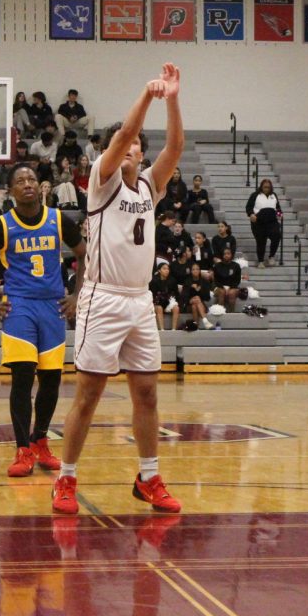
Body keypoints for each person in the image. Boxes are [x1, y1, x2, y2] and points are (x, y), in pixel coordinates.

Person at [54, 62, 184, 516]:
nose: (130, 148)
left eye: (136, 147)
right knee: (88, 394)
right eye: (124, 144)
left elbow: (175, 146)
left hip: (139, 301)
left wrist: (173, 97)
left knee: (147, 393)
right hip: (102, 297)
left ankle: (148, 477)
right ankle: (66, 479)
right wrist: (147, 96)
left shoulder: (150, 185)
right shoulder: (101, 181)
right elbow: (123, 133)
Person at [0, 163, 86, 478]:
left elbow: (85, 254)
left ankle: (40, 440)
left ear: (41, 186)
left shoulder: (59, 220)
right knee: (23, 376)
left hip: (52, 307)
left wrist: (76, 295)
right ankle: (22, 449)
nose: (28, 183)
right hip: (19, 308)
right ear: (12, 190)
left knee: (51, 380)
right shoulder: (2, 227)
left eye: (32, 178)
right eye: (21, 180)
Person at [246, 178, 282, 268]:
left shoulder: (274, 196)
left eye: (268, 187)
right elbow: (248, 207)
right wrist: (251, 215)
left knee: (277, 235)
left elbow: (278, 208)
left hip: (272, 221)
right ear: (261, 187)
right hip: (259, 222)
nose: (266, 189)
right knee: (261, 241)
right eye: (265, 187)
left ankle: (271, 256)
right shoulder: (255, 195)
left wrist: (280, 214)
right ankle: (261, 261)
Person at [180, 264, 215, 330]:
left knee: (195, 303)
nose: (195, 271)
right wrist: (190, 288)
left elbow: (207, 297)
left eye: (197, 269)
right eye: (193, 269)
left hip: (201, 305)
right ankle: (205, 321)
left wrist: (200, 290)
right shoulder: (187, 281)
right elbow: (183, 296)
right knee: (194, 302)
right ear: (191, 271)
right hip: (188, 304)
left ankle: (196, 327)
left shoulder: (204, 281)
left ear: (199, 271)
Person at [149, 263, 180, 331]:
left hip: (168, 303)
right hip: (157, 303)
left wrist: (172, 299)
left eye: (168, 269)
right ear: (159, 270)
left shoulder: (172, 280)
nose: (167, 270)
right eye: (164, 268)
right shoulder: (154, 281)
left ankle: (173, 329)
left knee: (176, 308)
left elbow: (176, 294)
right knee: (159, 308)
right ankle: (162, 329)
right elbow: (151, 295)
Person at [212, 247, 243, 312]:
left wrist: (231, 287)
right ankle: (220, 312)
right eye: (224, 254)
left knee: (231, 293)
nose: (226, 255)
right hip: (219, 286)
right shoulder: (217, 266)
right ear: (222, 255)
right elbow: (215, 279)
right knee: (221, 292)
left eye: (228, 253)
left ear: (231, 255)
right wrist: (222, 287)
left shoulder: (236, 266)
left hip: (232, 286)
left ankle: (232, 312)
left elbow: (237, 279)